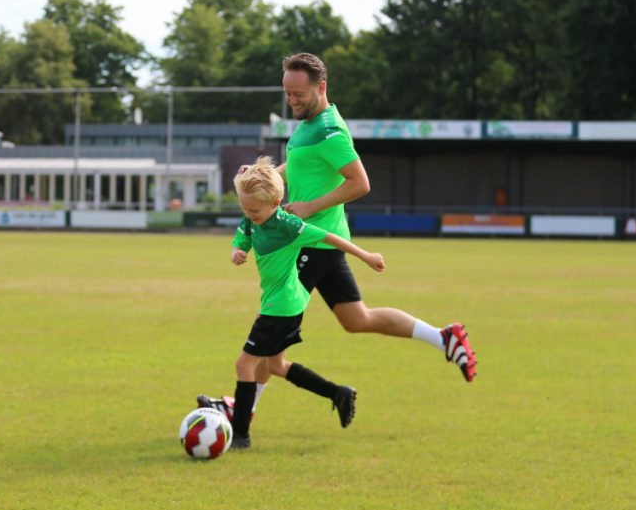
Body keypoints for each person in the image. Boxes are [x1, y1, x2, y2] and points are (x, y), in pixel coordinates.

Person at [199, 52, 476, 425]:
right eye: (287, 93)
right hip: (325, 243)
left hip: (310, 243)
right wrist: (260, 175)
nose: (291, 100)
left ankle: (241, 408)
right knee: (356, 318)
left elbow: (360, 183)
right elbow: (296, 168)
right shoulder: (309, 124)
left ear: (321, 87)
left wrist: (310, 207)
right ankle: (443, 338)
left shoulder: (330, 132)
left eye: (298, 94)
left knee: (271, 334)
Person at [222, 156, 386, 450]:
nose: (248, 214)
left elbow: (331, 238)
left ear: (275, 203)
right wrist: (236, 250)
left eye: (254, 210)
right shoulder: (252, 215)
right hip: (278, 302)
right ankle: (338, 393)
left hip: (282, 307)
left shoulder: (289, 226)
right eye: (244, 208)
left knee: (244, 365)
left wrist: (367, 256)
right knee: (276, 364)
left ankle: (241, 435)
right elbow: (243, 235)